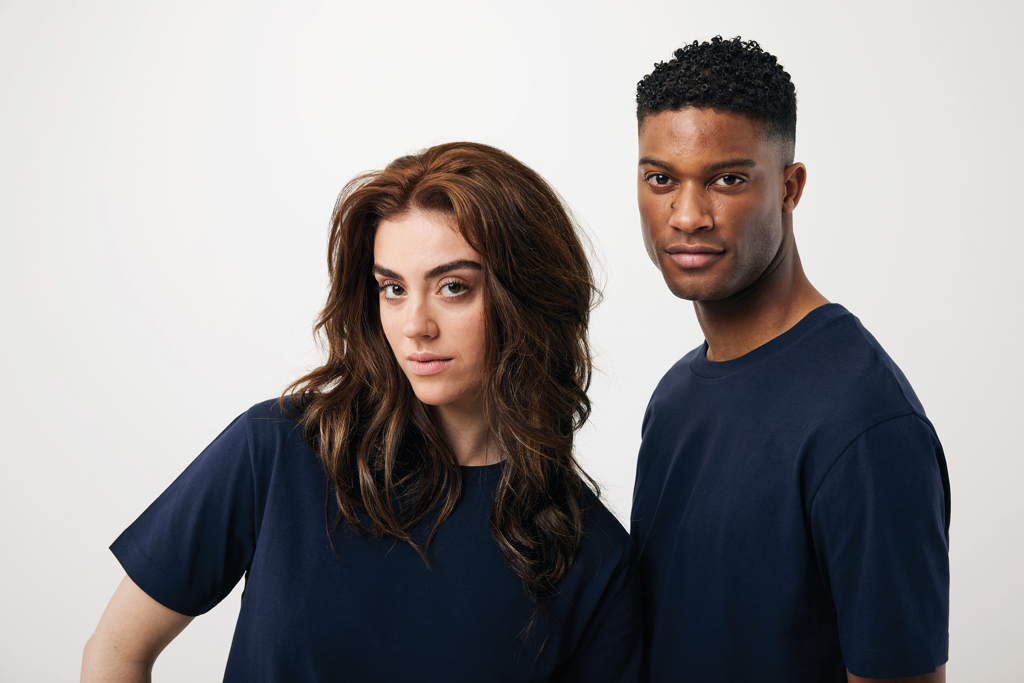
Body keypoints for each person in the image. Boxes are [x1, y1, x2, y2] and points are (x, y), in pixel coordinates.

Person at [82, 142, 642, 682]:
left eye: (453, 287)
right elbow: (115, 655)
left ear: (530, 296)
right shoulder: (279, 451)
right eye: (392, 288)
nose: (415, 325)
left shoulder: (592, 555)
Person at [629, 37, 950, 682]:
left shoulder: (866, 424)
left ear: (789, 187)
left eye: (727, 180)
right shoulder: (673, 399)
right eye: (661, 179)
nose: (687, 216)